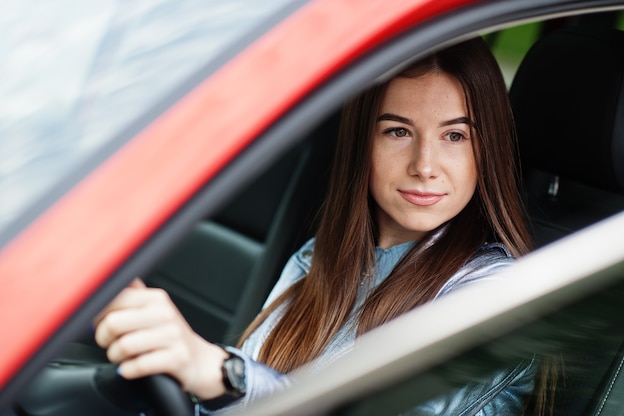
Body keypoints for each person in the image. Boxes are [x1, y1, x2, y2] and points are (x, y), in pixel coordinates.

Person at [94, 37, 549, 415]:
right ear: (361, 144)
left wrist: (220, 374)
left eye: (455, 135)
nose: (424, 165)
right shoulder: (320, 256)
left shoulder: (496, 296)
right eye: (397, 131)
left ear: (486, 150)